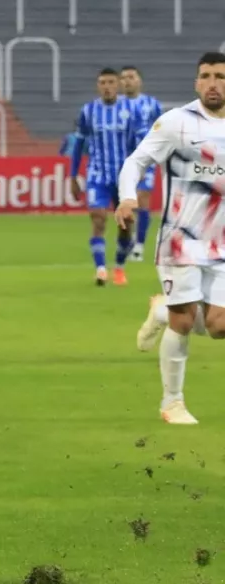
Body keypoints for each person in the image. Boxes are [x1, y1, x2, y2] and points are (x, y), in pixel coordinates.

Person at [116, 52, 225, 425]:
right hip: (180, 241)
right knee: (184, 322)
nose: (214, 83)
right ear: (197, 82)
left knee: (219, 326)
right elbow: (136, 161)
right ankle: (172, 403)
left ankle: (162, 309)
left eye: (221, 76)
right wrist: (128, 196)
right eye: (207, 76)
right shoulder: (177, 122)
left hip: (222, 245)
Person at [69, 68, 137, 287]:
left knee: (125, 224)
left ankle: (118, 267)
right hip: (97, 175)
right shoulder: (88, 112)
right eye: (102, 82)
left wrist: (141, 172)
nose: (106, 86)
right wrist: (73, 175)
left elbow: (140, 144)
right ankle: (100, 269)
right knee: (98, 218)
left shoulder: (130, 110)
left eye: (110, 82)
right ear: (98, 86)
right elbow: (78, 145)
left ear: (117, 85)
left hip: (124, 176)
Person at [119, 67, 163, 261]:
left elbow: (162, 132)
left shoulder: (152, 105)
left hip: (147, 160)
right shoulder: (116, 106)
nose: (127, 81)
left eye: (131, 77)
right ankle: (126, 242)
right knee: (125, 202)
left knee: (142, 197)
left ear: (139, 80)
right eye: (124, 78)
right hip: (120, 161)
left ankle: (139, 246)